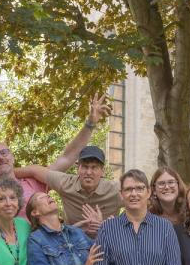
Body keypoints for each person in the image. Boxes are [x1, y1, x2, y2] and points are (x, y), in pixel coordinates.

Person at [0, 95, 111, 206]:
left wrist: (90, 124)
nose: (0, 157)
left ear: (12, 157)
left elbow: (67, 157)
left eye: (4, 153)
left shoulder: (34, 182)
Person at [15, 97, 118, 236]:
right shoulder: (65, 183)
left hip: (107, 243)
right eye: (85, 166)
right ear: (77, 168)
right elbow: (34, 170)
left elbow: (141, 202)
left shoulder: (115, 190)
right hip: (72, 244)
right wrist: (1, 175)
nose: (89, 172)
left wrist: (114, 226)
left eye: (94, 167)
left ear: (102, 171)